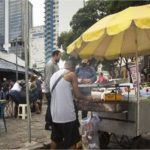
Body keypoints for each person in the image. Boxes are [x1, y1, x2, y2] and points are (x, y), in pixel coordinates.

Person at [50, 60, 94, 149]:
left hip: (55, 114)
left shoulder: (54, 75)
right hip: (67, 115)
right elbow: (78, 95)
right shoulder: (72, 74)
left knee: (55, 139)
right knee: (72, 142)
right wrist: (89, 98)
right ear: (73, 68)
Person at [44, 50, 61, 130]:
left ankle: (52, 123)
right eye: (59, 56)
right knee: (50, 107)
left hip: (55, 90)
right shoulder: (50, 64)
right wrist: (51, 90)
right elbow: (48, 79)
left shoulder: (56, 65)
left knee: (53, 106)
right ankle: (48, 124)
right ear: (55, 55)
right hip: (50, 90)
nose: (60, 57)